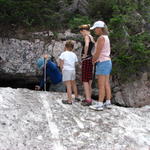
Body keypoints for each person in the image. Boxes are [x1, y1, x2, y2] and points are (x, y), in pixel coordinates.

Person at [89, 21, 112, 111]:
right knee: (106, 83)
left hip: (102, 62)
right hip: (107, 62)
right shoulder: (106, 37)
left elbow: (98, 52)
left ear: (99, 28)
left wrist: (93, 60)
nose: (94, 30)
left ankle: (99, 104)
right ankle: (108, 102)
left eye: (95, 28)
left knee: (101, 85)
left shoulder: (101, 38)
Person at [59, 40, 80, 104]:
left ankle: (69, 100)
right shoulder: (74, 54)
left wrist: (62, 70)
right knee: (73, 83)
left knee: (68, 85)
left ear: (65, 46)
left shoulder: (63, 54)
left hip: (66, 70)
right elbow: (76, 62)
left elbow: (61, 64)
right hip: (72, 70)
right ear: (73, 47)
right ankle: (76, 97)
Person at [79, 24, 95, 106]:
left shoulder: (86, 37)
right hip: (91, 59)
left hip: (86, 59)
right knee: (89, 79)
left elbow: (86, 45)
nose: (81, 34)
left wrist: (85, 54)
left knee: (85, 79)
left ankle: (88, 99)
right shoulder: (92, 37)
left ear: (84, 30)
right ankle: (89, 98)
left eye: (81, 32)